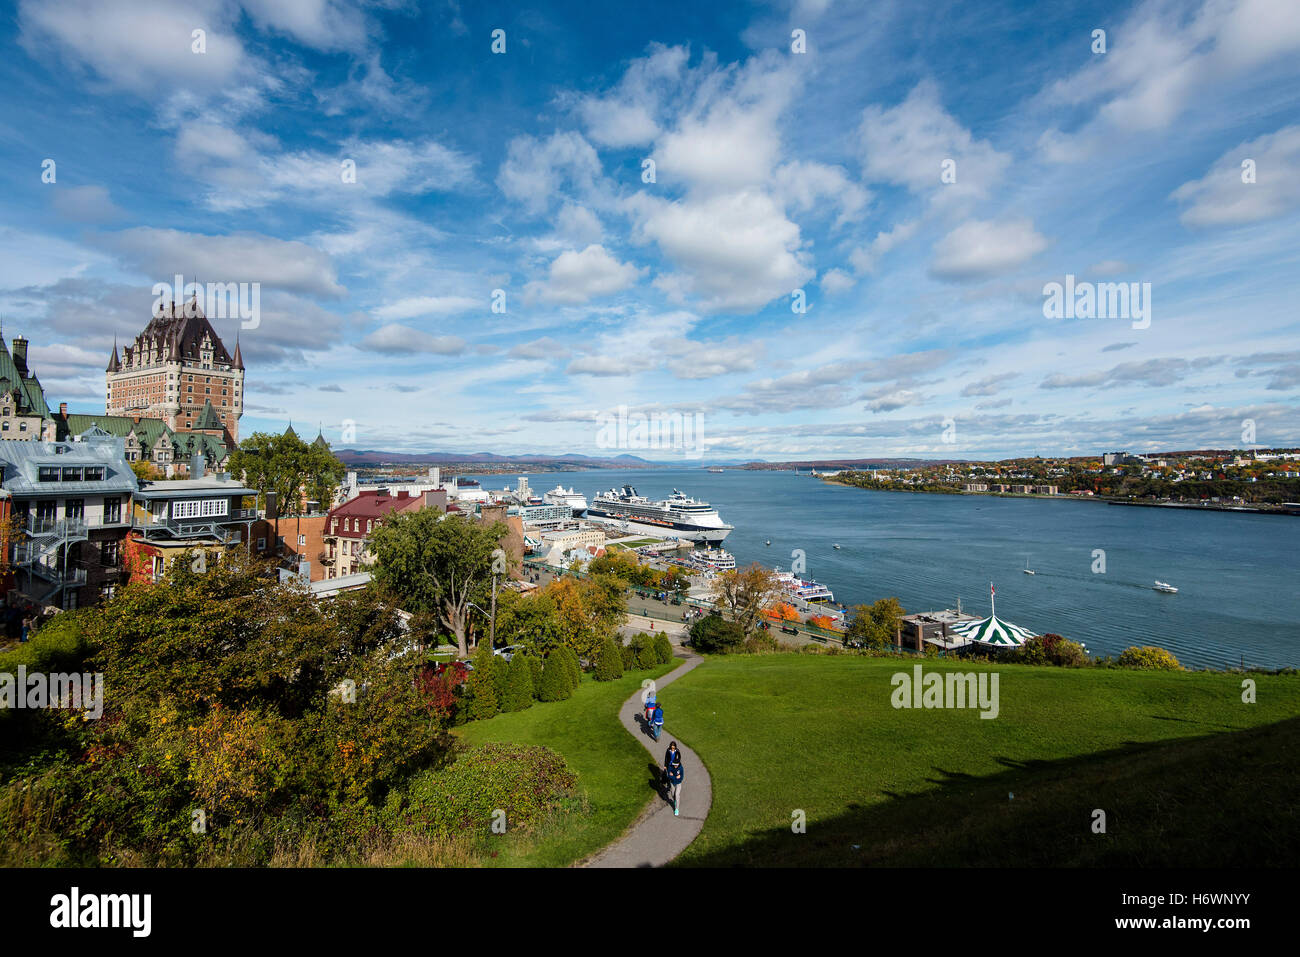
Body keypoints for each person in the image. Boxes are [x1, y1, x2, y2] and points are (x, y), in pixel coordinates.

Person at [663, 742, 684, 815]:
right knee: (673, 794)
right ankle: (675, 800)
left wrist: (675, 776)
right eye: (674, 765)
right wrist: (674, 776)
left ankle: (676, 809)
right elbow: (669, 775)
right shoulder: (670, 768)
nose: (675, 766)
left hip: (678, 783)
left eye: (676, 765)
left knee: (677, 795)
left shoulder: (681, 768)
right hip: (672, 783)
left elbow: (681, 777)